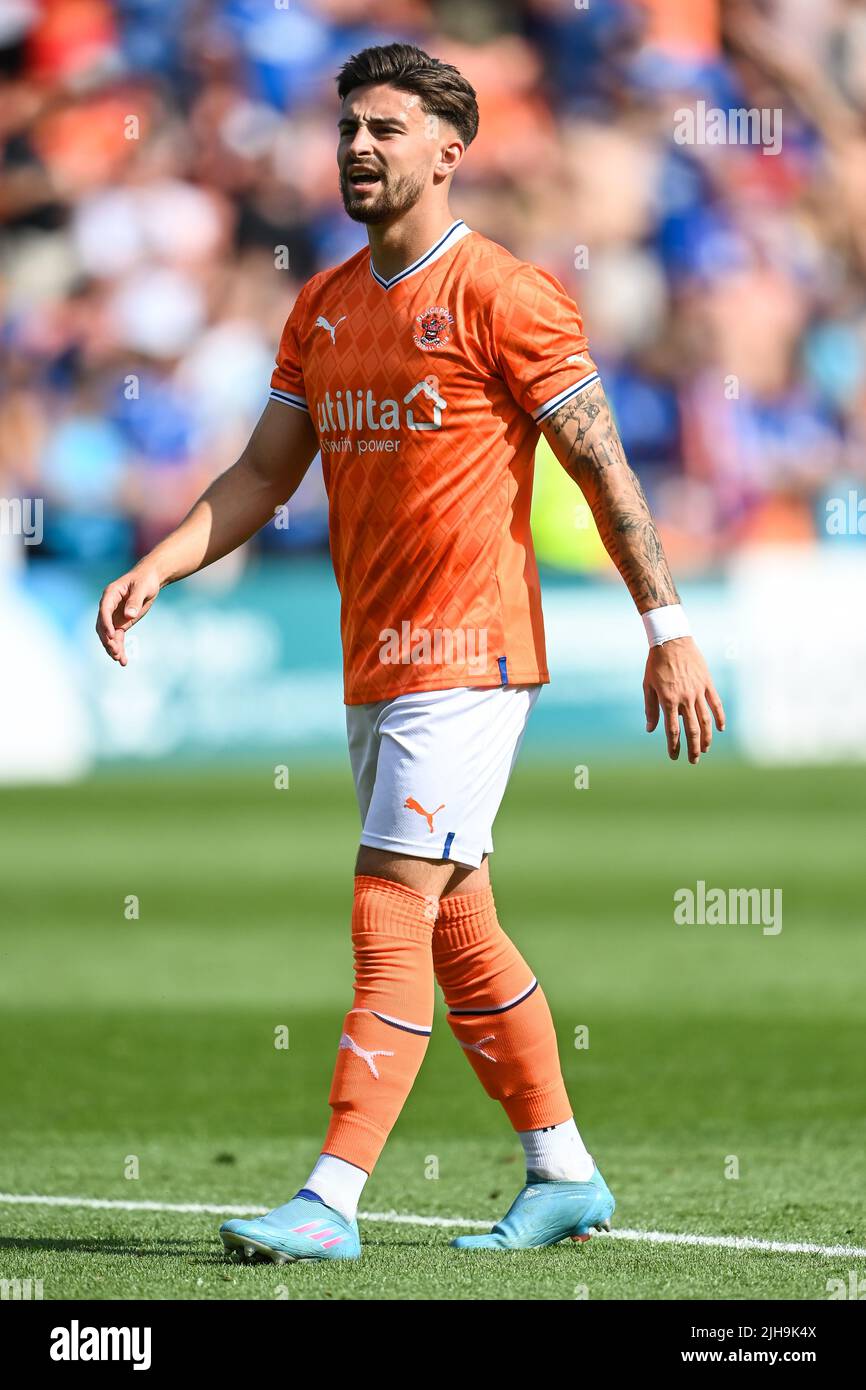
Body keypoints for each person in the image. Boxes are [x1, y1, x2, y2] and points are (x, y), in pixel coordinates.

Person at [96, 43, 725, 1261]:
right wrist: (160, 563)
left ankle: (330, 1196)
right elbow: (265, 473)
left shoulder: (506, 293)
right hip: (374, 658)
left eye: (386, 128)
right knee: (456, 923)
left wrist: (667, 628)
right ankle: (563, 1171)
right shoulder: (322, 307)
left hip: (469, 654)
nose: (357, 147)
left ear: (450, 149)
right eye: (347, 129)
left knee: (389, 900)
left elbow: (599, 462)